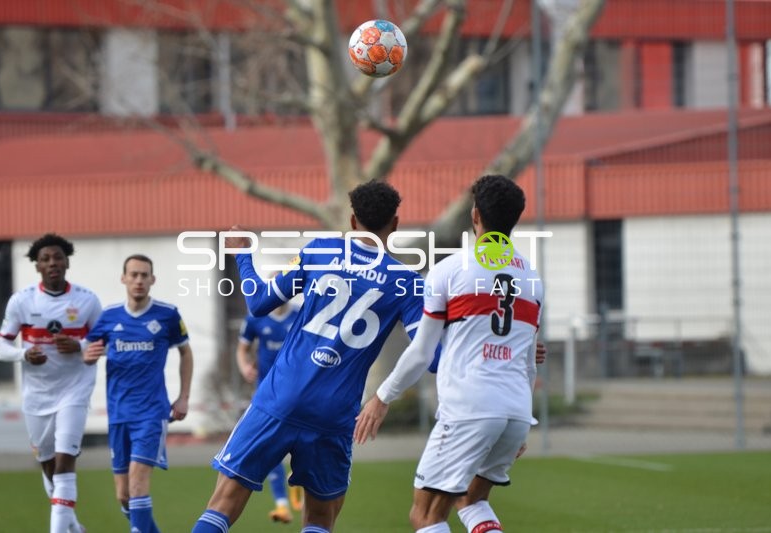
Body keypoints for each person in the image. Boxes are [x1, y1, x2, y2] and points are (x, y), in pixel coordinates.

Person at [192, 180, 431, 533]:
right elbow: (429, 353)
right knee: (320, 518)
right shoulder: (407, 281)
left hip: (281, 398)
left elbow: (258, 303)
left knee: (223, 504)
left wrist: (242, 252)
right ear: (395, 224)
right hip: (334, 413)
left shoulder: (320, 250)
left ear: (352, 221)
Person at [355, 174, 544, 533]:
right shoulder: (533, 280)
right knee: (472, 501)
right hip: (515, 411)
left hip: (470, 410)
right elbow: (527, 362)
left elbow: (422, 352)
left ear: (475, 215)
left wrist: (381, 397)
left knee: (425, 516)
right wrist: (522, 420)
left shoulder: (450, 270)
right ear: (515, 219)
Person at [0, 233, 103, 533]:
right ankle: (74, 527)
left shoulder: (87, 300)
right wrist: (24, 354)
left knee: (65, 460)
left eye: (58, 257)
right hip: (37, 396)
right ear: (37, 267)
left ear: (67, 261)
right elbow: (1, 348)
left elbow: (103, 340)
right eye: (46, 259)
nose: (52, 263)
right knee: (48, 464)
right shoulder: (22, 301)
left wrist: (80, 346)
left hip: (75, 390)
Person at [84, 254, 194, 533]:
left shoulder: (168, 315)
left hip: (151, 413)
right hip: (118, 414)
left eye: (144, 275)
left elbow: (185, 352)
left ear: (153, 280)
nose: (139, 280)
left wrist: (184, 396)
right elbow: (88, 351)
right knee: (123, 495)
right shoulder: (109, 317)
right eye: (133, 275)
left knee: (137, 485)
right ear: (123, 279)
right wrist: (88, 356)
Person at [236, 301, 303, 523]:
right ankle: (282, 505)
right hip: (267, 394)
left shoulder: (301, 314)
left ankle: (298, 481)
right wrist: (245, 366)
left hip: (298, 392)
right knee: (269, 446)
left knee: (301, 444)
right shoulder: (256, 316)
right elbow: (242, 349)